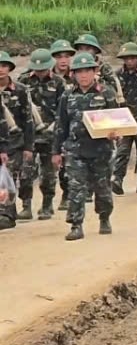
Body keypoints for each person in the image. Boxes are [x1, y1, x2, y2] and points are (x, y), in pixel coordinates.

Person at [52, 51, 120, 241]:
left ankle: (104, 217)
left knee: (102, 187)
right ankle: (76, 224)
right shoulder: (67, 96)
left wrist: (115, 134)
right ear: (74, 74)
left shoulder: (106, 93)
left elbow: (118, 119)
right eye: (79, 71)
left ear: (94, 71)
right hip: (75, 150)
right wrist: (56, 151)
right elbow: (61, 125)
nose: (83, 75)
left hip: (101, 150)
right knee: (76, 188)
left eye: (87, 71)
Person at [18, 49, 66, 219]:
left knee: (48, 174)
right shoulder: (23, 81)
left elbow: (63, 110)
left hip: (50, 135)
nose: (39, 72)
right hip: (29, 136)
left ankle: (47, 205)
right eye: (37, 69)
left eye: (42, 69)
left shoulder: (59, 83)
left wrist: (54, 128)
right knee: (25, 173)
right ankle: (26, 206)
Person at [110, 43, 137, 196]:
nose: (130, 61)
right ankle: (118, 179)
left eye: (132, 58)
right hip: (124, 118)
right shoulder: (117, 75)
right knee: (123, 150)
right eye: (127, 58)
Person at [0, 52, 35, 221]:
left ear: (10, 68)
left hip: (14, 142)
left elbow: (28, 119)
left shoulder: (20, 90)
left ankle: (8, 214)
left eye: (4, 66)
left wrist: (29, 146)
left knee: (10, 176)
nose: (1, 70)